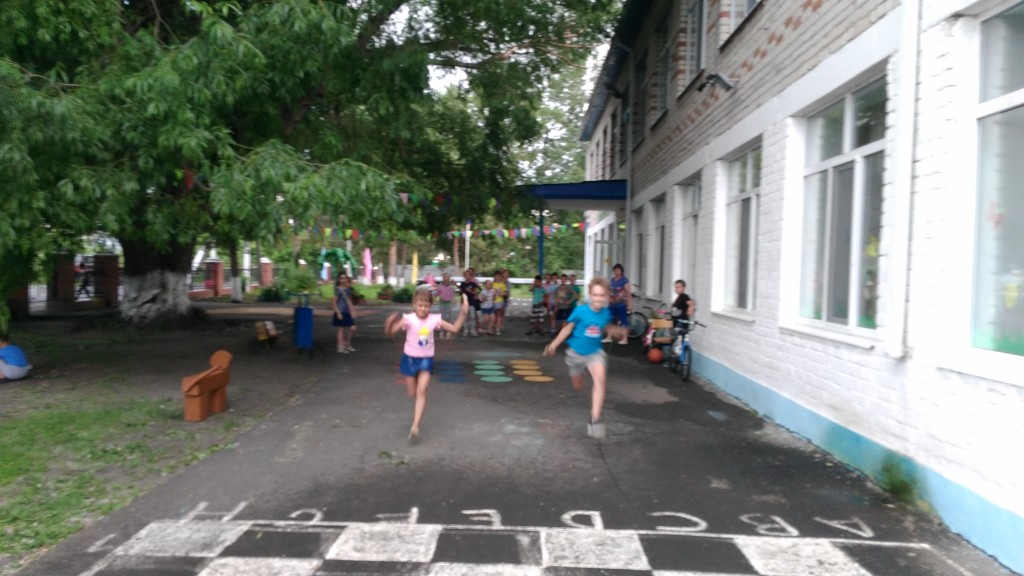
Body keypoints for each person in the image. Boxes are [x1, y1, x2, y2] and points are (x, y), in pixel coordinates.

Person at [543, 277, 628, 439]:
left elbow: (606, 326)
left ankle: (595, 419)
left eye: (602, 295)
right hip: (576, 354)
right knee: (578, 385)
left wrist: (616, 331)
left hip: (594, 353)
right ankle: (579, 373)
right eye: (595, 295)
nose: (598, 299)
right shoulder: (580, 311)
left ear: (606, 296)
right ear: (590, 294)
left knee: (600, 380)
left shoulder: (606, 313)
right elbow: (567, 330)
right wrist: (553, 345)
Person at [385, 292, 469, 442]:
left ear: (430, 306)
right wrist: (389, 323)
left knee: (422, 390)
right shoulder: (408, 319)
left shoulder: (434, 319)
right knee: (412, 393)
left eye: (426, 306)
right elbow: (390, 333)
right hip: (409, 359)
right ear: (414, 305)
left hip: (426, 360)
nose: (423, 308)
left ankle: (415, 426)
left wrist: (463, 312)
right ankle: (419, 391)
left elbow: (455, 328)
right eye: (420, 305)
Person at [332, 273, 357, 353]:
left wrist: (352, 310)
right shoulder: (338, 290)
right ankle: (340, 346)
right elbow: (334, 303)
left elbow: (349, 301)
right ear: (339, 280)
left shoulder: (347, 290)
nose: (343, 280)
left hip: (347, 311)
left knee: (352, 328)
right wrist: (338, 312)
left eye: (345, 278)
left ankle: (347, 344)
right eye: (341, 278)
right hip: (340, 311)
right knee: (341, 329)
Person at [608, 263, 631, 344]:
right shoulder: (612, 280)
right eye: (615, 270)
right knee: (610, 320)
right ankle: (609, 337)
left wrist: (629, 304)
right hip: (612, 304)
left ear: (621, 271)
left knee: (623, 321)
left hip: (621, 304)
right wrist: (609, 299)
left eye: (618, 270)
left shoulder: (624, 280)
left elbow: (628, 293)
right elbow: (610, 291)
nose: (616, 272)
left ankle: (625, 339)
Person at [459, 268, 481, 337]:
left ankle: (472, 329)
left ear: (471, 276)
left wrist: (470, 291)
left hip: (471, 302)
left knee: (472, 316)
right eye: (466, 275)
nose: (467, 276)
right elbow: (460, 292)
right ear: (464, 276)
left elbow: (475, 292)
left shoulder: (473, 284)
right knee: (465, 316)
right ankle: (465, 330)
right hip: (464, 302)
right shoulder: (462, 284)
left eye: (469, 275)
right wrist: (461, 291)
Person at [436, 273, 457, 340]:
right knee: (442, 318)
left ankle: (448, 331)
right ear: (443, 278)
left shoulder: (451, 287)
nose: (447, 279)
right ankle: (441, 332)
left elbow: (452, 294)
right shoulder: (440, 286)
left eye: (448, 277)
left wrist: (454, 300)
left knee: (448, 318)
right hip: (442, 303)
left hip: (448, 303)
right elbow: (437, 294)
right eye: (445, 277)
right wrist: (437, 298)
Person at [492, 270, 508, 335]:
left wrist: (502, 294)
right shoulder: (492, 284)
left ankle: (498, 328)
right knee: (493, 315)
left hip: (500, 301)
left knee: (499, 315)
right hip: (493, 301)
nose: (498, 277)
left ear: (501, 277)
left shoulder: (503, 285)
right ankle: (493, 326)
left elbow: (505, 293)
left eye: (499, 276)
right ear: (494, 276)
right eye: (496, 276)